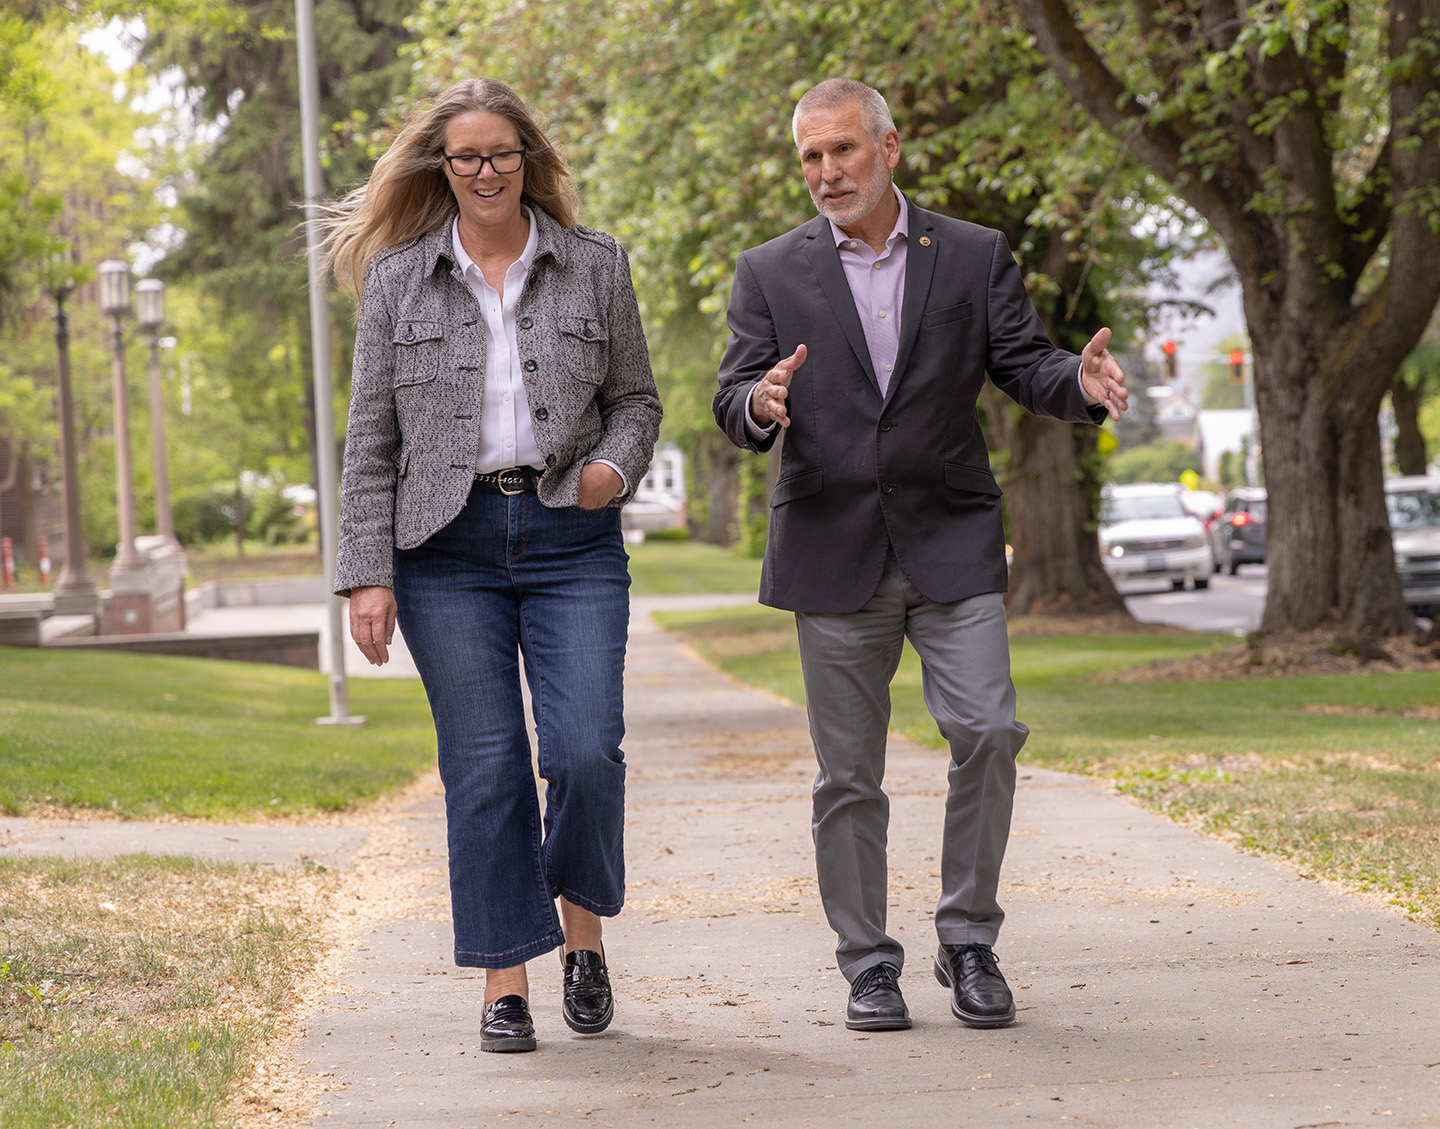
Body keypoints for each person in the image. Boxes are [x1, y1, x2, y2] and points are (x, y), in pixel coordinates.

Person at [713, 79, 1127, 1032]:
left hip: (952, 540)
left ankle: (969, 939)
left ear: (889, 149)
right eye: (811, 157)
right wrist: (759, 404)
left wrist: (1081, 381)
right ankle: (867, 962)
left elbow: (1026, 364)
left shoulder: (973, 254)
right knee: (847, 774)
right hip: (833, 549)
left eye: (843, 151)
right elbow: (735, 393)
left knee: (988, 731)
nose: (826, 173)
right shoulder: (770, 271)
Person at [326, 78, 661, 1054]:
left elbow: (637, 399)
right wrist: (366, 572)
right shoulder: (397, 280)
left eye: (500, 153)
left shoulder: (595, 265)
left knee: (585, 752)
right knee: (486, 771)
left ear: (530, 161)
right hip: (444, 551)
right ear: (442, 166)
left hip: (571, 539)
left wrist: (613, 466)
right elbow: (369, 443)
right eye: (465, 155)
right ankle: (503, 982)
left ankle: (582, 937)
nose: (483, 170)